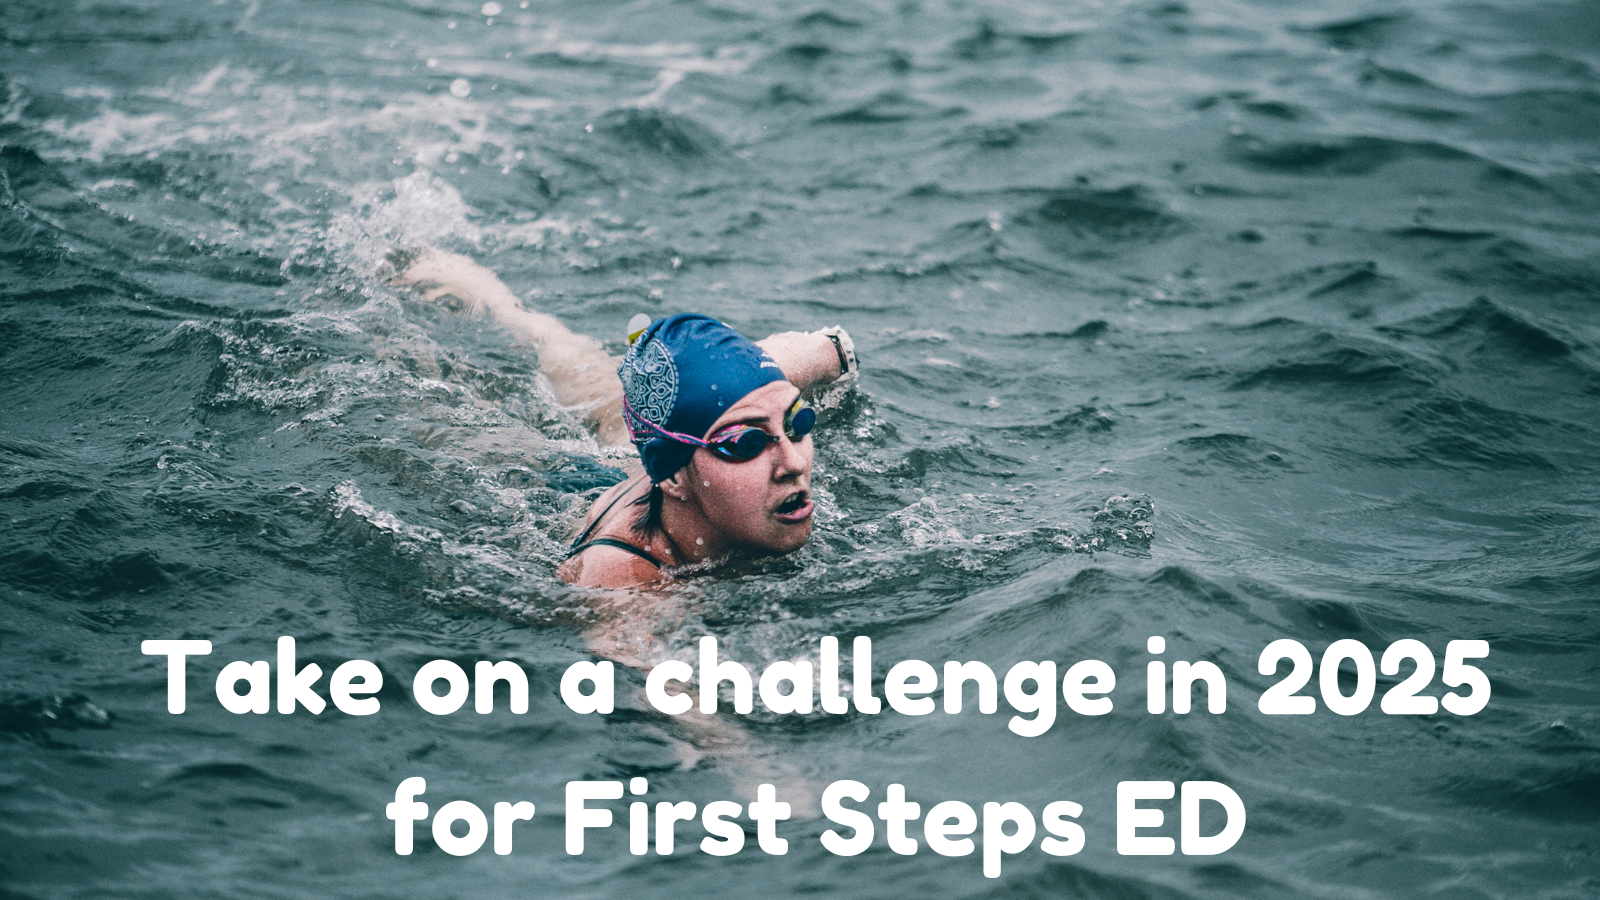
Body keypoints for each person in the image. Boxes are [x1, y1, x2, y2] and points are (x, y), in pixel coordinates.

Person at [392, 248, 857, 590]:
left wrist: (835, 354)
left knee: (569, 355)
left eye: (797, 425)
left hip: (652, 455)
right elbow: (663, 692)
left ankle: (510, 309)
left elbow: (822, 351)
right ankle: (429, 296)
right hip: (559, 485)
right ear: (675, 476)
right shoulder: (624, 578)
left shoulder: (752, 398)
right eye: (747, 445)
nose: (793, 462)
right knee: (436, 410)